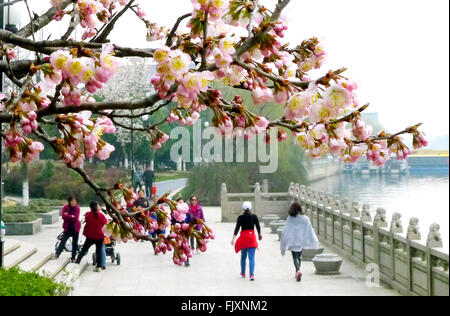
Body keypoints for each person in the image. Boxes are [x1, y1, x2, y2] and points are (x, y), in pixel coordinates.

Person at [280, 201, 319, 282]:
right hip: (300, 240)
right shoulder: (305, 218)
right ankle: (298, 271)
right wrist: (313, 239)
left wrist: (284, 240)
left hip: (292, 240)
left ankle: (297, 271)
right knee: (299, 256)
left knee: (294, 257)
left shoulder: (290, 218)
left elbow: (286, 229)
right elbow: (309, 229)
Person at [231, 201, 262, 281]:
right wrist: (259, 234)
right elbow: (258, 227)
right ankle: (251, 275)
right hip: (251, 239)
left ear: (243, 208)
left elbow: (237, 228)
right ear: (251, 208)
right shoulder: (254, 216)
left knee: (243, 257)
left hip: (244, 239)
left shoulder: (240, 217)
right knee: (252, 258)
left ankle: (243, 273)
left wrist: (233, 238)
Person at [76, 201, 108, 272]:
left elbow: (86, 221)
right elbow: (105, 222)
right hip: (99, 236)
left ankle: (77, 261)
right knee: (99, 251)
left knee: (84, 249)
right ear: (97, 207)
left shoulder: (87, 214)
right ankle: (98, 267)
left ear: (90, 207)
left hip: (90, 236)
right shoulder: (101, 215)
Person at [53, 196, 81, 262]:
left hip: (75, 228)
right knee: (63, 241)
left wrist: (68, 215)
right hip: (67, 228)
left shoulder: (77, 208)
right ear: (69, 201)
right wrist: (71, 216)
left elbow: (76, 218)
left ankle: (73, 257)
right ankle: (57, 254)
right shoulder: (66, 207)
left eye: (74, 201)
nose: (73, 203)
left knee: (74, 243)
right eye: (72, 201)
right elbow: (63, 216)